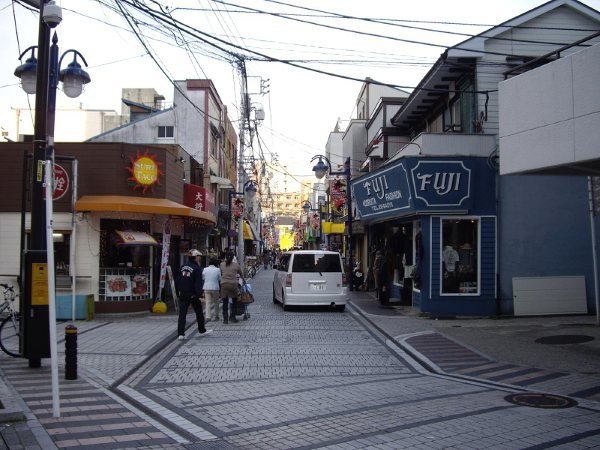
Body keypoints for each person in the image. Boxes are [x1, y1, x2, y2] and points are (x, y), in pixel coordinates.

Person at [175, 249, 213, 340]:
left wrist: (178, 292)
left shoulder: (182, 267)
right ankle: (202, 330)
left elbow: (177, 280)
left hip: (183, 294)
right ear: (195, 257)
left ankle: (181, 334)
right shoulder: (197, 268)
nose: (199, 258)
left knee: (182, 314)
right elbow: (198, 283)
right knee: (199, 313)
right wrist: (199, 295)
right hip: (193, 294)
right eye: (199, 256)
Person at [220, 251, 245, 324]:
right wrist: (243, 279)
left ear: (225, 257)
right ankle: (232, 317)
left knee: (225, 302)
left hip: (224, 284)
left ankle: (225, 319)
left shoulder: (222, 264)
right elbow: (241, 274)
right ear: (233, 257)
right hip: (233, 285)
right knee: (234, 301)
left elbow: (221, 272)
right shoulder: (236, 265)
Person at [202, 257, 221, 322]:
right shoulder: (217, 270)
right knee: (216, 302)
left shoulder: (205, 269)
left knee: (207, 302)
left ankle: (208, 317)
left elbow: (203, 278)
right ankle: (216, 316)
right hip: (215, 287)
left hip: (206, 287)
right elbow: (219, 279)